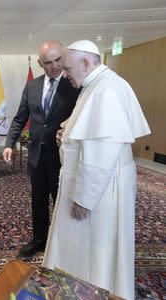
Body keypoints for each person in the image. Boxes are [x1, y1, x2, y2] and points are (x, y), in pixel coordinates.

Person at [42, 40, 151, 300]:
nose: (64, 74)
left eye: (67, 68)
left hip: (97, 191)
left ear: (86, 63)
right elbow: (87, 129)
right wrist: (66, 132)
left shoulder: (107, 89)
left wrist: (84, 197)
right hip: (94, 183)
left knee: (97, 250)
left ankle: (92, 291)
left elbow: (102, 151)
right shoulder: (98, 85)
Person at [3, 40, 80, 257]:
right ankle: (39, 240)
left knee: (60, 200)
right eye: (49, 62)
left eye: (58, 60)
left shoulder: (74, 85)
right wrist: (9, 144)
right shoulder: (32, 86)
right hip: (36, 155)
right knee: (38, 199)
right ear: (40, 63)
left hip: (61, 156)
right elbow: (20, 118)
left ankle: (63, 243)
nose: (55, 66)